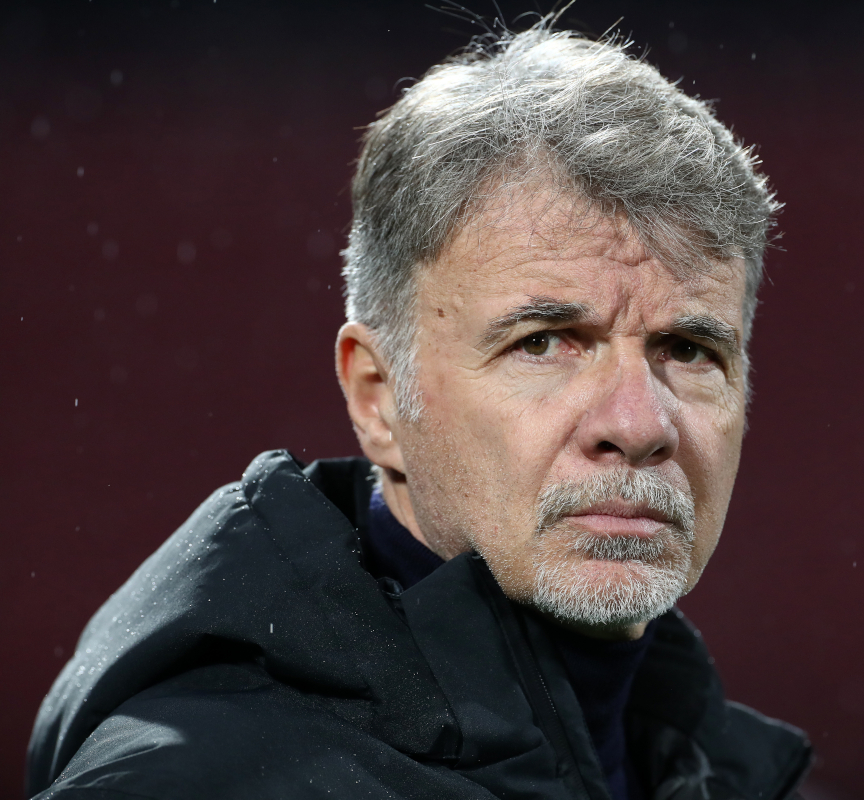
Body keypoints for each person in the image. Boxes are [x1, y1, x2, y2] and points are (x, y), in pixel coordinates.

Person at [26, 20, 812, 800]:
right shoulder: (194, 782)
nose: (640, 426)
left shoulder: (742, 775)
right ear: (377, 399)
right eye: (544, 343)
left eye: (688, 350)